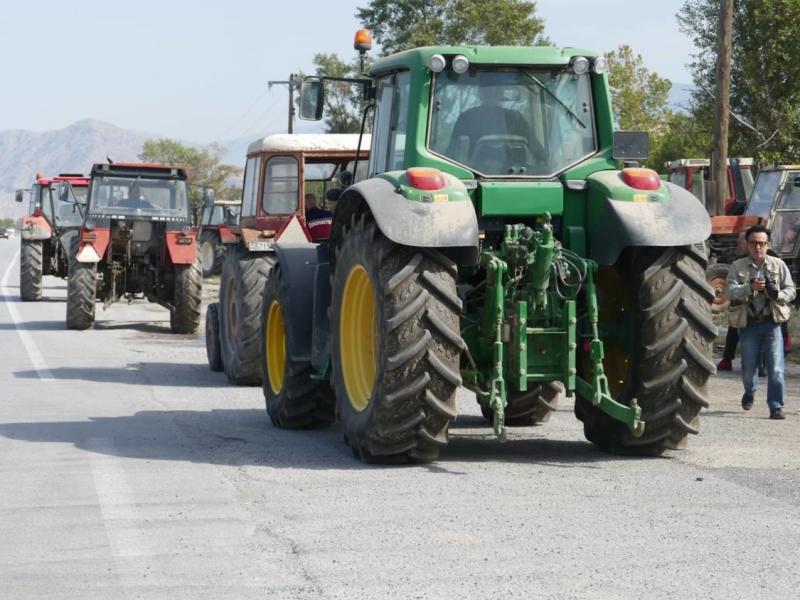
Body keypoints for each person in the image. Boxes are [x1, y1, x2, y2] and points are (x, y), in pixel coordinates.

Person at [725, 224, 796, 419]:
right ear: (747, 245)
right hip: (749, 324)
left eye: (762, 243)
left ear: (768, 244)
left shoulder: (778, 265)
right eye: (754, 243)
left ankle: (776, 406)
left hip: (772, 323)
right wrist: (749, 287)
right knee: (748, 368)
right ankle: (750, 391)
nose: (758, 247)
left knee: (776, 368)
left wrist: (777, 294)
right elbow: (728, 291)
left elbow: (791, 290)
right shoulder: (738, 266)